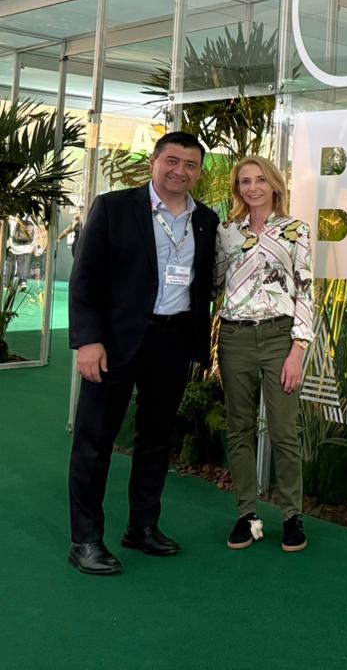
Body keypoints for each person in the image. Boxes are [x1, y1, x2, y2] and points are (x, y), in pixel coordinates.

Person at [67, 132, 218, 576]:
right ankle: (86, 540)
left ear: (198, 172)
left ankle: (143, 526)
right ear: (154, 161)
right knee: (95, 440)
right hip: (113, 343)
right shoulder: (114, 207)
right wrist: (88, 340)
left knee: (155, 440)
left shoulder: (206, 220)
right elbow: (85, 278)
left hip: (172, 342)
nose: (180, 171)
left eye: (190, 165)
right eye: (172, 160)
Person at [215, 155, 314, 552]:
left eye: (259, 180)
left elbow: (306, 290)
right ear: (237, 188)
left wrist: (298, 349)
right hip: (234, 338)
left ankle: (292, 516)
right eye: (245, 181)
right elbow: (214, 282)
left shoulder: (295, 230)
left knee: (284, 431)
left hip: (279, 338)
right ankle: (246, 515)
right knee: (238, 428)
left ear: (274, 185)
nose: (252, 187)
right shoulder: (227, 232)